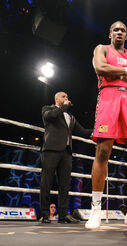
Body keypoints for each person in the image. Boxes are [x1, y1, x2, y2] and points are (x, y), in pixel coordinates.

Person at [85, 21, 127, 229]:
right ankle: (95, 209)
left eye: (123, 30)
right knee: (103, 151)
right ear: (110, 34)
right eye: (115, 29)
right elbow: (100, 67)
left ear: (126, 35)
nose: (119, 32)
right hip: (108, 96)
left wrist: (125, 73)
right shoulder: (102, 49)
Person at [40, 91, 92, 224]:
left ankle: (63, 215)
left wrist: (98, 130)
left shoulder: (70, 116)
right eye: (64, 96)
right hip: (51, 150)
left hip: (66, 152)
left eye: (67, 97)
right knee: (46, 182)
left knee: (65, 185)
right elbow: (50, 117)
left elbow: (81, 131)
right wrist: (63, 107)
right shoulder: (48, 109)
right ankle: (45, 214)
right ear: (57, 99)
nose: (66, 98)